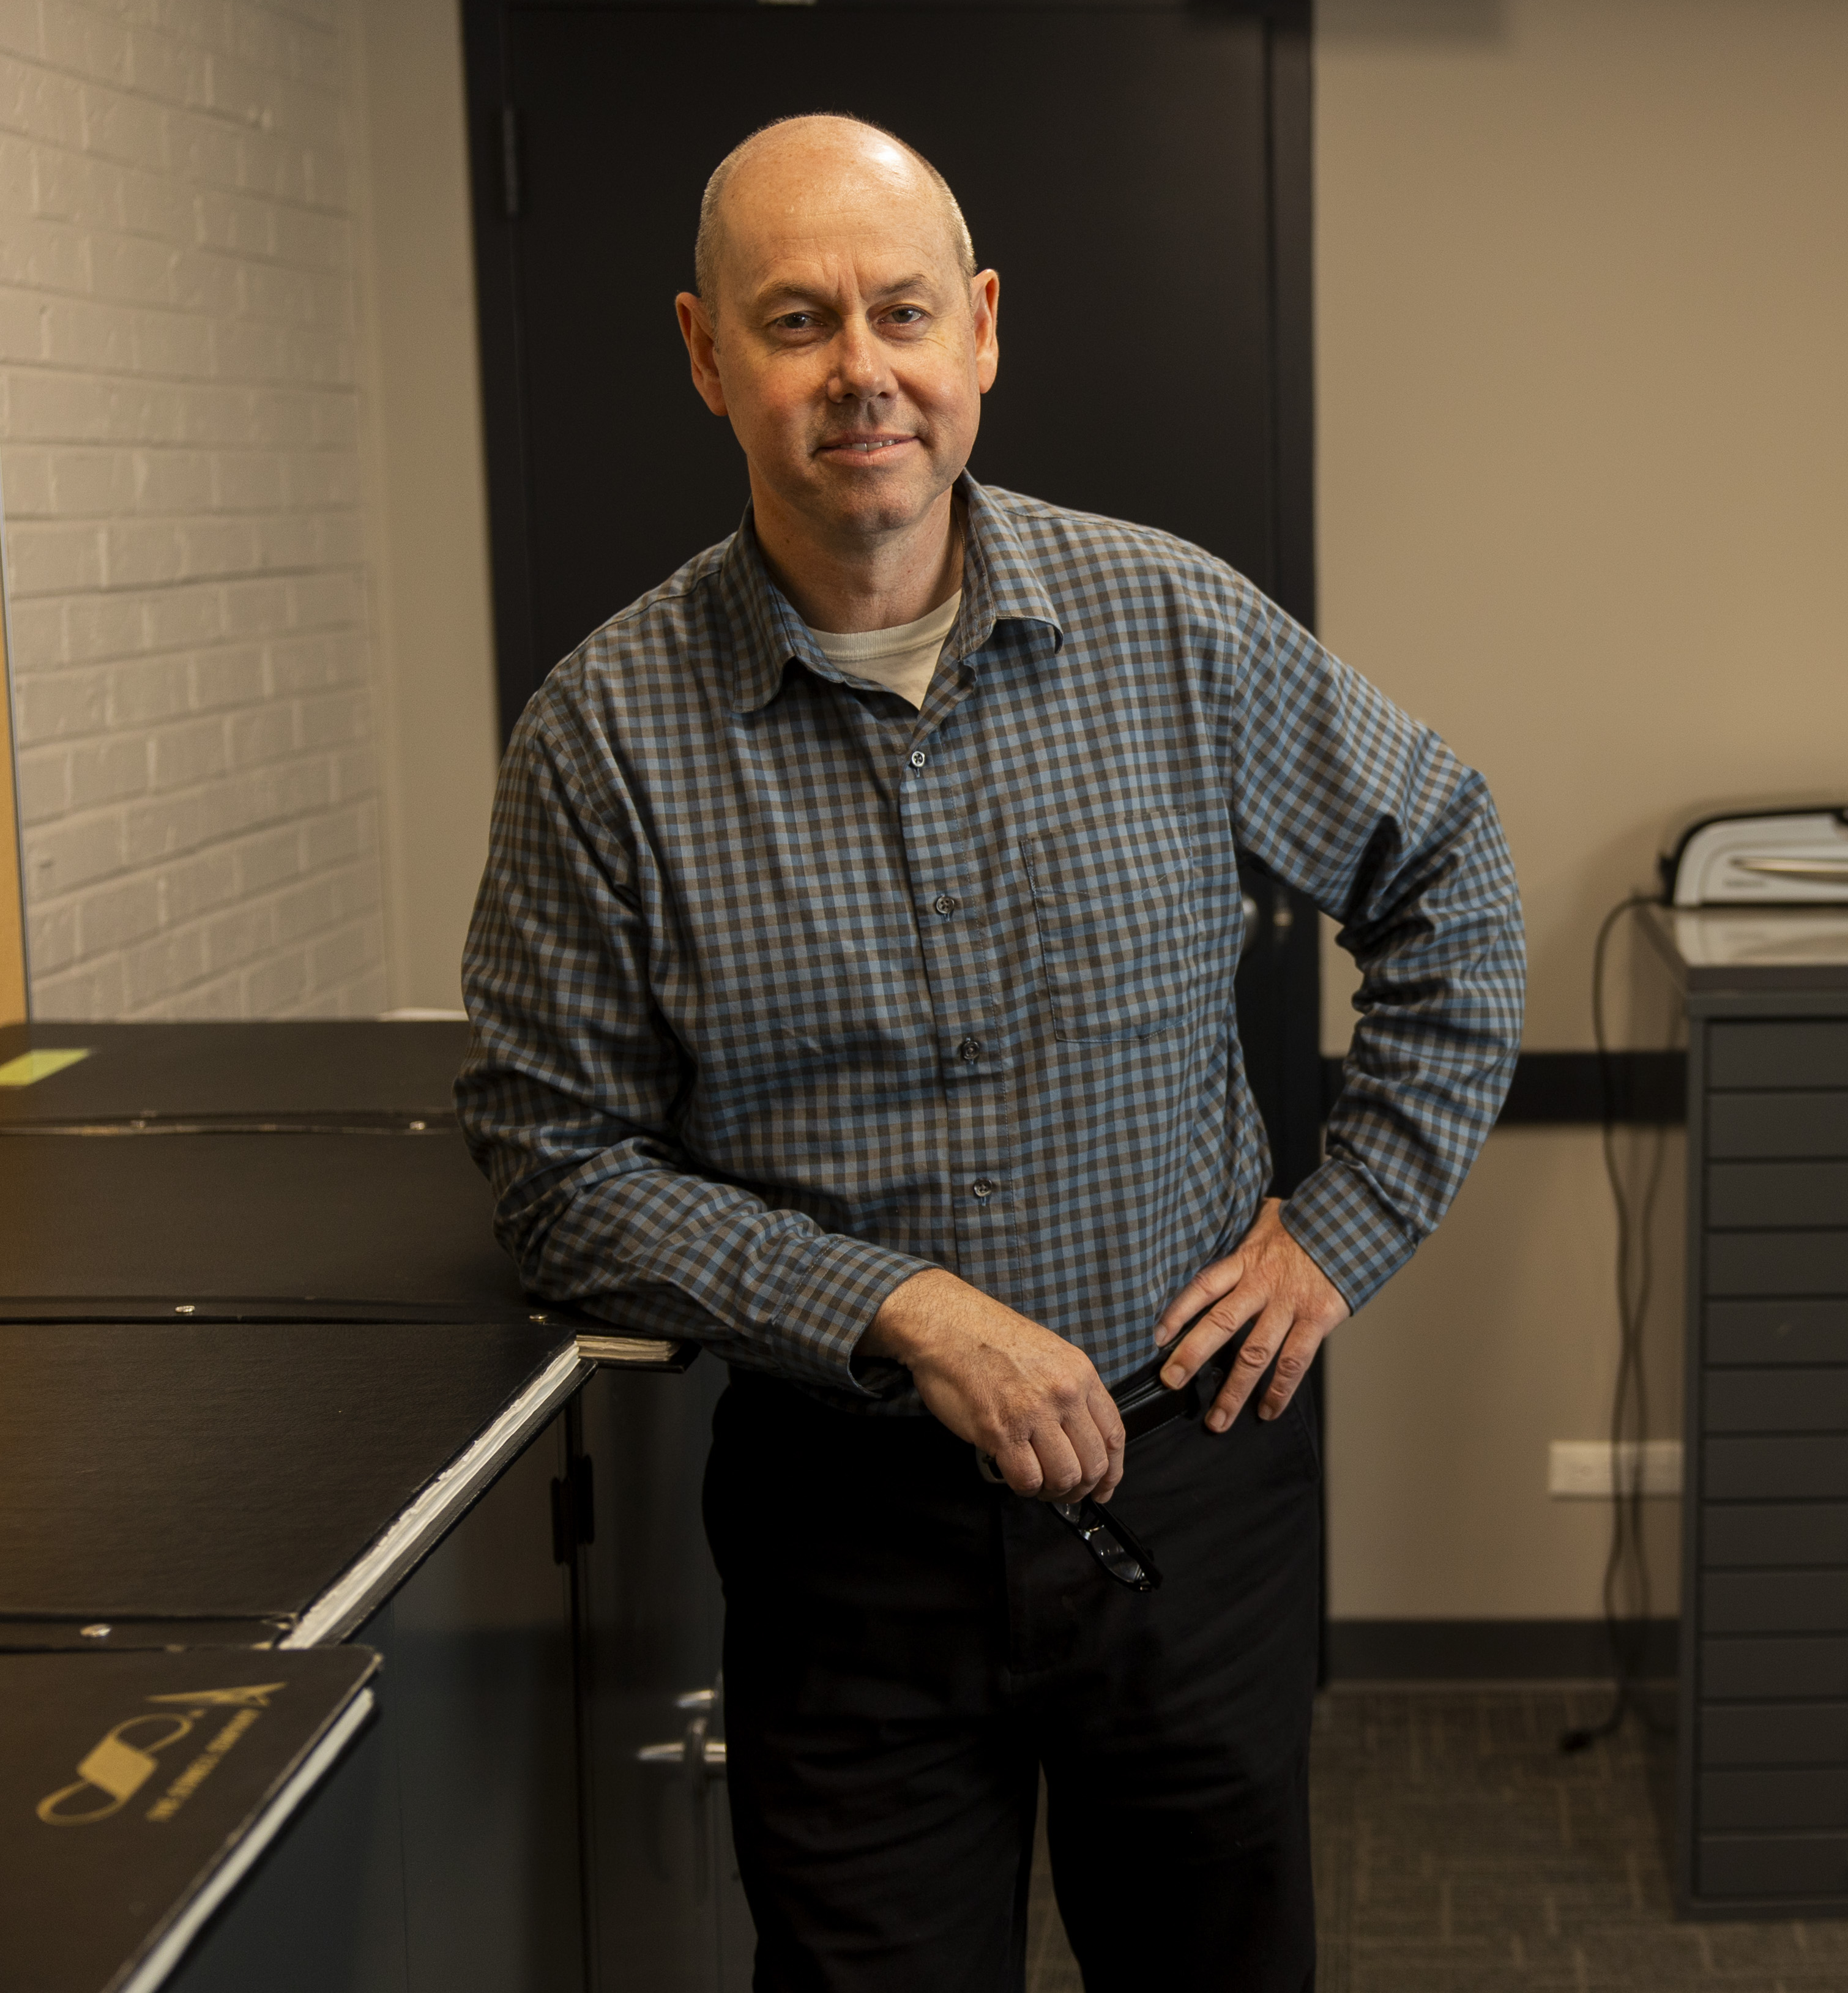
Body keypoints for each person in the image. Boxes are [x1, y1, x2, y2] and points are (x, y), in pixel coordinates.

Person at [456, 113, 1524, 1992]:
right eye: (797, 321)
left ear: (983, 335)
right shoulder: (603, 740)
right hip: (845, 1530)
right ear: (709, 355)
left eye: (901, 311)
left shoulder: (1174, 627)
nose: (861, 370)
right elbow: (556, 1173)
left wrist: (1336, 1234)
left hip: (1192, 1485)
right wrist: (898, 1306)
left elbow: (1455, 874)